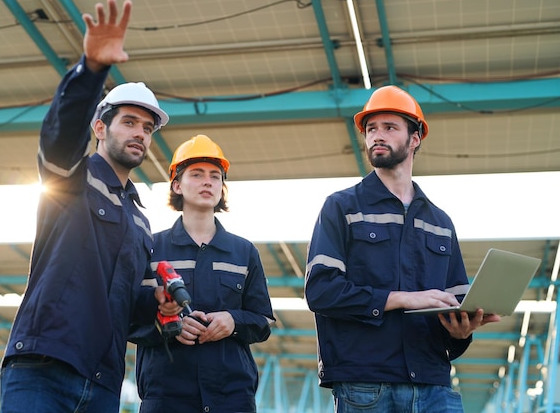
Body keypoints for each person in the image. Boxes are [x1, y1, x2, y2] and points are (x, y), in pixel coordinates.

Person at [0, 0, 180, 412]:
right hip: (43, 369)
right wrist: (91, 70)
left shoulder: (140, 220)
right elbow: (60, 133)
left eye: (147, 128)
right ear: (100, 127)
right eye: (129, 122)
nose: (140, 134)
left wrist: (156, 307)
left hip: (102, 383)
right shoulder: (69, 180)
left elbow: (126, 307)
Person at [304, 85, 501, 413]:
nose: (376, 136)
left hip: (433, 383)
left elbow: (454, 303)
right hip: (366, 385)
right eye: (371, 129)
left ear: (415, 138)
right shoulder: (341, 208)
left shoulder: (440, 222)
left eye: (389, 127)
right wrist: (400, 299)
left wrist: (462, 331)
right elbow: (321, 291)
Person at [130, 134, 276, 413]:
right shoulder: (150, 249)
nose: (208, 181)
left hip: (233, 399)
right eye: (196, 174)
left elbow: (262, 321)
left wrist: (233, 321)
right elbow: (127, 317)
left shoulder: (244, 252)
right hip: (166, 398)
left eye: (215, 176)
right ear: (177, 185)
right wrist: (169, 327)